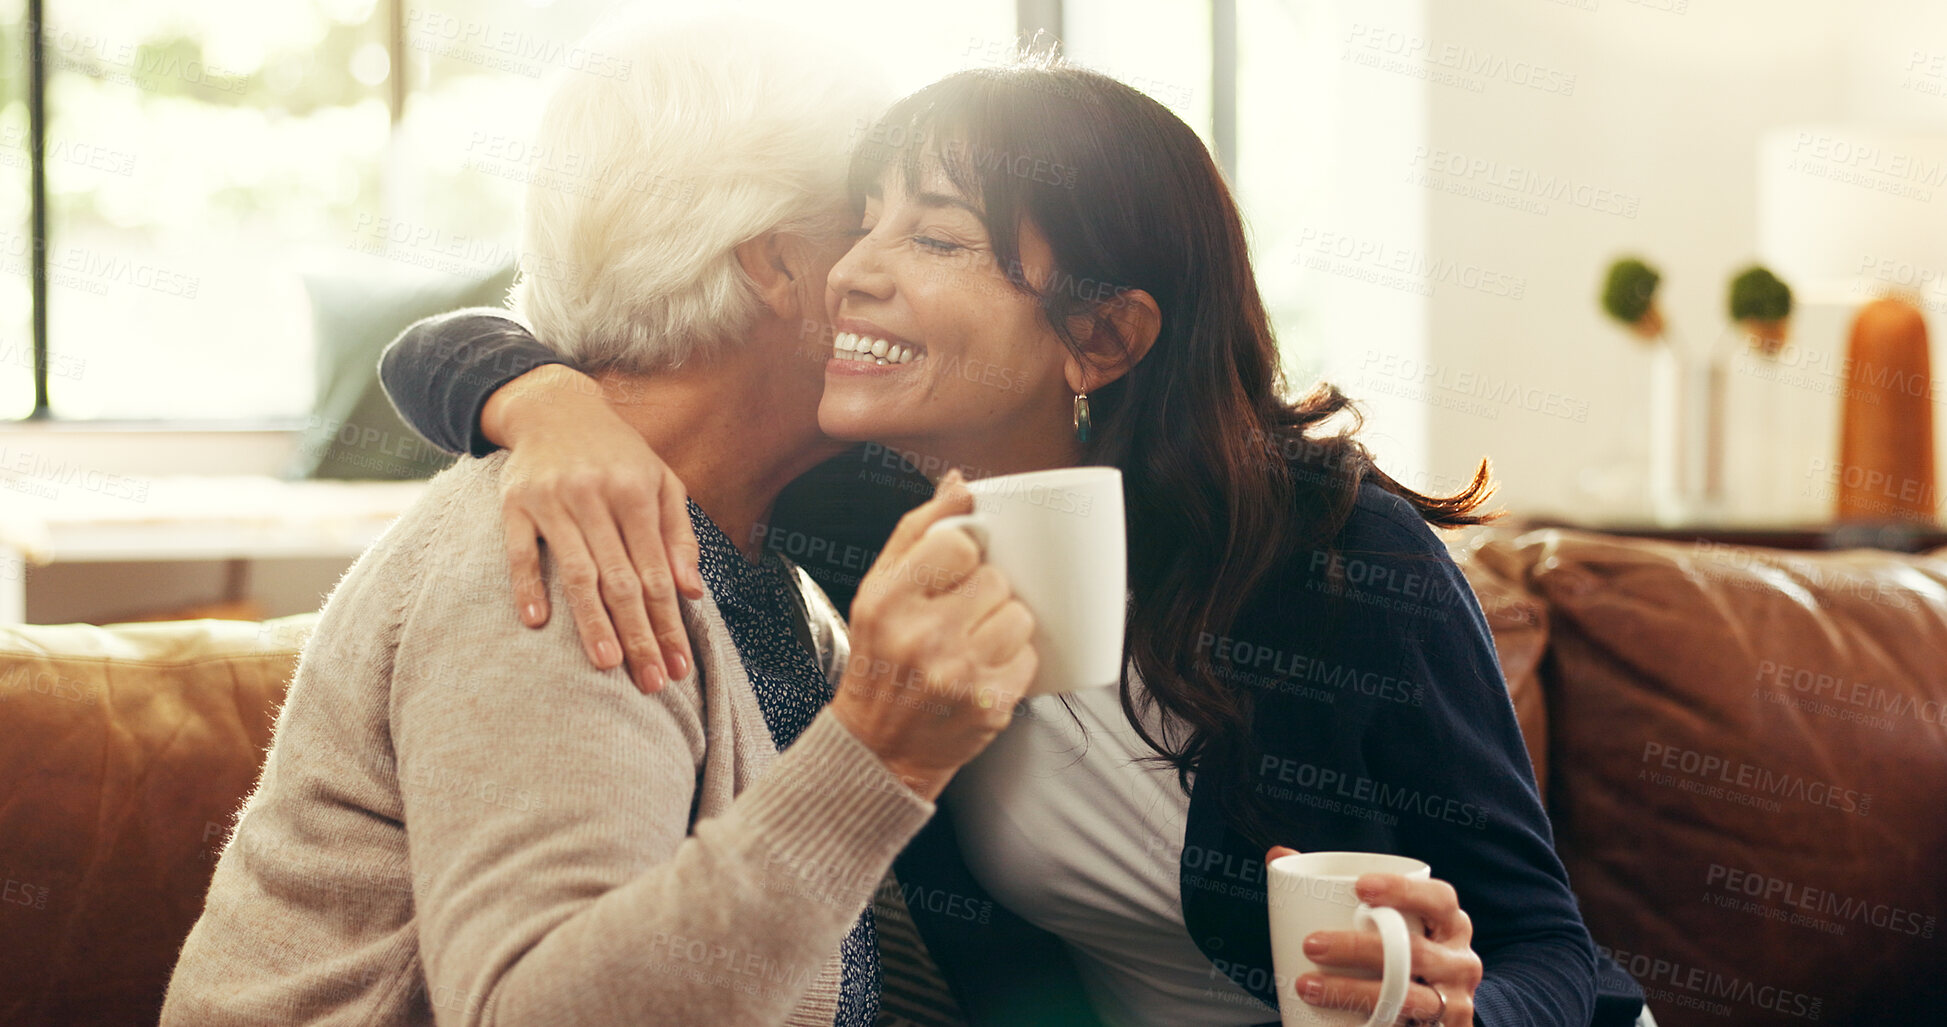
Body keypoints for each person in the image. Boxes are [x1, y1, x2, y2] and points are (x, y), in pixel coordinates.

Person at [381, 60, 1649, 1027]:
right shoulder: (861, 508)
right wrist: (542, 405)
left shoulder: (1330, 553)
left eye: (931, 237)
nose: (850, 273)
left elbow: (1547, 947)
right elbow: (438, 345)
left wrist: (1450, 1004)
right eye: (863, 220)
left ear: (1100, 338)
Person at [162, 15, 1040, 1026]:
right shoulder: (565, 558)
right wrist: (879, 757)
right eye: (869, 221)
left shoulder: (774, 550)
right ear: (778, 263)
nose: (900, 273)